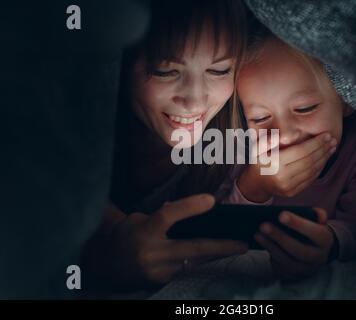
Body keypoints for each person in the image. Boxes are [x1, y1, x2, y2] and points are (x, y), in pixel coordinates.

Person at [82, 0, 249, 290]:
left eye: (220, 70)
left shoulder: (236, 140)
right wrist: (103, 261)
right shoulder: (70, 145)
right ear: (119, 66)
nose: (196, 100)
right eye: (165, 71)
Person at [223, 28, 356, 279]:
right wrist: (256, 185)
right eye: (260, 118)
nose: (284, 134)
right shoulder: (244, 152)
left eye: (305, 108)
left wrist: (329, 243)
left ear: (346, 101)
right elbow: (223, 226)